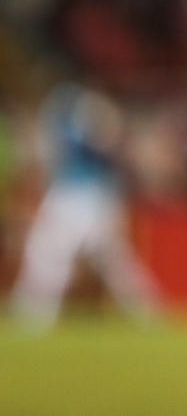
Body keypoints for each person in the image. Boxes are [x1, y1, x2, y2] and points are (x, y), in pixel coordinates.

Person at [9, 77, 159, 330]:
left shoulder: (87, 108)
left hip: (91, 194)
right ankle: (31, 317)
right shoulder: (60, 109)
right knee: (50, 253)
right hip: (69, 191)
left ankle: (149, 314)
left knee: (105, 259)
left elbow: (107, 147)